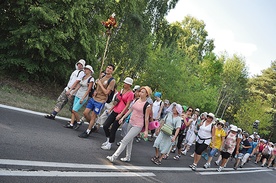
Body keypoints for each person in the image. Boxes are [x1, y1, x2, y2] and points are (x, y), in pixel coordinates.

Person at [106, 86, 152, 162]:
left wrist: (146, 130)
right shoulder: (137, 100)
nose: (140, 93)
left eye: (143, 92)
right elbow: (130, 110)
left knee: (124, 140)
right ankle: (128, 157)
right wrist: (122, 117)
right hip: (131, 122)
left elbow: (146, 118)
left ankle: (114, 157)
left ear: (147, 94)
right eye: (140, 91)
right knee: (129, 141)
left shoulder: (147, 105)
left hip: (138, 125)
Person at [78, 64, 116, 138]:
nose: (108, 69)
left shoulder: (112, 80)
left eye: (110, 68)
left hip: (100, 101)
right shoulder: (102, 76)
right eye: (107, 67)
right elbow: (97, 87)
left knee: (93, 116)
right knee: (85, 113)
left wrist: (100, 84)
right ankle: (93, 126)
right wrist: (95, 90)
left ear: (112, 71)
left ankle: (88, 131)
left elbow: (106, 92)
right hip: (94, 98)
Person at [101, 77, 134, 150]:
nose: (124, 84)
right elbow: (117, 100)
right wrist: (111, 109)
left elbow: (127, 105)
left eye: (126, 83)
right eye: (124, 83)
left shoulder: (131, 94)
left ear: (129, 85)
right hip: (115, 110)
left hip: (121, 113)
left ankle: (109, 144)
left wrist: (121, 114)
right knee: (105, 125)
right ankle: (108, 139)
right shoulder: (121, 90)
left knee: (114, 128)